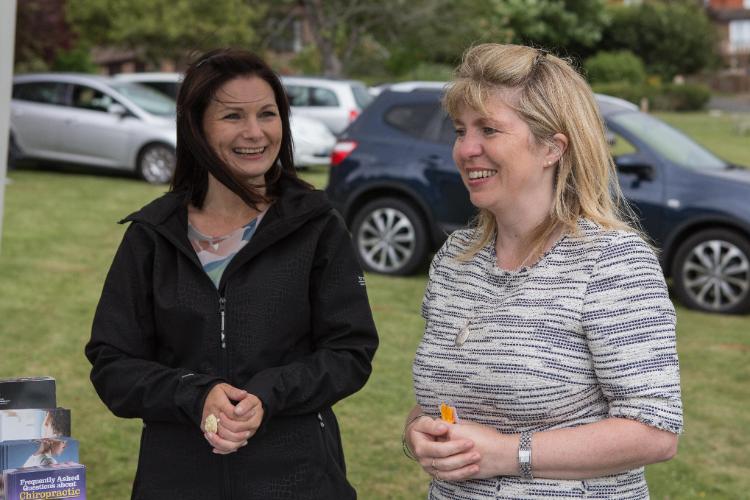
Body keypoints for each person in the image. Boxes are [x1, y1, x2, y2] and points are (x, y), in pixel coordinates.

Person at [86, 48, 378, 500]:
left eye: (267, 114)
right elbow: (112, 364)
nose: (255, 132)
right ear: (197, 128)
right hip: (177, 482)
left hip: (298, 479)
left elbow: (350, 351)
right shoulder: (152, 235)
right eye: (233, 117)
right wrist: (194, 394)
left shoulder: (317, 225)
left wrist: (268, 393)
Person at [403, 43, 682, 499]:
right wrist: (419, 431)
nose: (466, 149)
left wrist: (511, 452)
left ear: (552, 147)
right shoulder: (457, 260)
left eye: (489, 129)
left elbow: (655, 430)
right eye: (460, 130)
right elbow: (442, 398)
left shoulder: (613, 263)